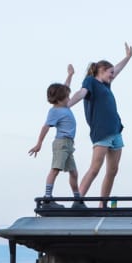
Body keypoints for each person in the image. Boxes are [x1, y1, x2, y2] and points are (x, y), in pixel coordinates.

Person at [66, 42, 132, 205]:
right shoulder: (91, 82)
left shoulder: (106, 83)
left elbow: (116, 69)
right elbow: (81, 93)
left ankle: (103, 204)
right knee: (95, 168)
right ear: (101, 71)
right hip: (101, 132)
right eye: (110, 73)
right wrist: (67, 105)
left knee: (113, 170)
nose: (112, 76)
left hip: (116, 130)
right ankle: (78, 200)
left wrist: (127, 57)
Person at [27, 65, 82, 208]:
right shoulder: (55, 111)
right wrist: (39, 143)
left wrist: (70, 75)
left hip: (69, 144)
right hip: (61, 143)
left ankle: (77, 200)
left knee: (74, 173)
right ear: (59, 99)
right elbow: (45, 127)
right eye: (67, 97)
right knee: (55, 169)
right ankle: (47, 198)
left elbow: (65, 87)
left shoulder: (64, 106)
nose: (69, 98)